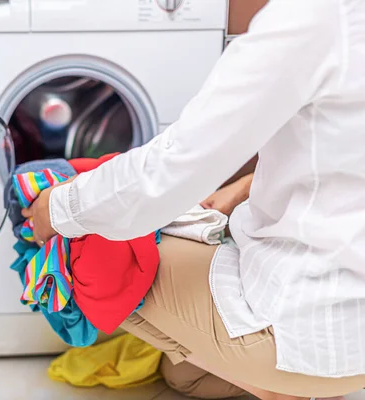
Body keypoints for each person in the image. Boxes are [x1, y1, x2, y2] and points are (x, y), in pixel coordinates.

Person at [22, 0, 365, 399]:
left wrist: (57, 208)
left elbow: (174, 166)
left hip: (312, 330)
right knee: (185, 377)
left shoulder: (311, 18)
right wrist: (245, 186)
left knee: (81, 249)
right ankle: (295, 381)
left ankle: (291, 387)